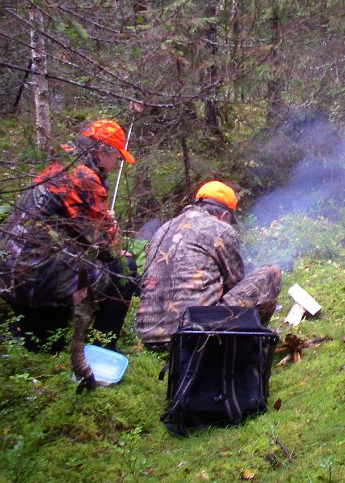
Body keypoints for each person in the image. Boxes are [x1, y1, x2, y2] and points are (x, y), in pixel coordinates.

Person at [0, 119, 139, 390]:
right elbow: (107, 246)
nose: (115, 166)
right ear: (102, 153)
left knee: (41, 346)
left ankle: (36, 347)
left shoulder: (56, 165)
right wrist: (116, 245)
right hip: (39, 277)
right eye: (116, 159)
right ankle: (103, 347)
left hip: (10, 275)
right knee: (124, 269)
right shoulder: (84, 177)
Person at [135, 181, 281, 350]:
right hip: (194, 332)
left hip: (149, 333)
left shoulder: (163, 230)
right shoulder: (221, 229)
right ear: (225, 215)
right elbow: (235, 283)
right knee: (271, 273)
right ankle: (253, 347)